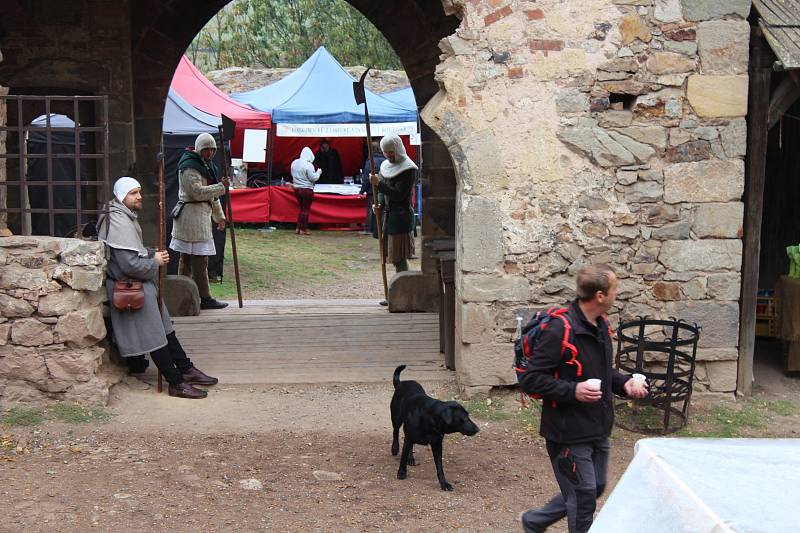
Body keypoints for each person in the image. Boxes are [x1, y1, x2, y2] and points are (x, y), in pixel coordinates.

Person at [519, 264, 648, 533]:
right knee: (583, 496)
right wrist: (573, 390)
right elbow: (531, 378)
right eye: (615, 288)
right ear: (600, 295)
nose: (618, 293)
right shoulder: (559, 330)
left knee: (595, 486)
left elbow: (602, 372)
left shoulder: (600, 325)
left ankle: (534, 521)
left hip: (597, 426)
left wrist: (626, 383)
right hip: (566, 432)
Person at [98, 176, 219, 399]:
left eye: (139, 192)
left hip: (141, 286)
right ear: (121, 195)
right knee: (155, 335)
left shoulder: (123, 216)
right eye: (134, 193)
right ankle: (176, 382)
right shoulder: (118, 222)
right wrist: (155, 262)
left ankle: (185, 368)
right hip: (130, 288)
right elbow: (128, 265)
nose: (139, 196)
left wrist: (150, 253)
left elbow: (132, 254)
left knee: (165, 328)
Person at [169, 133, 229, 310]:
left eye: (212, 149)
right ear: (199, 149)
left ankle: (190, 296)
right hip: (190, 219)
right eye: (206, 149)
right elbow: (197, 192)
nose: (210, 152)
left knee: (193, 260)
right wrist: (221, 187)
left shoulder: (206, 166)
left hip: (200, 218)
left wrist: (219, 217)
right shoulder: (189, 166)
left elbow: (212, 196)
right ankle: (200, 297)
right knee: (193, 260)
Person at [369, 135, 417, 274]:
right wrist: (377, 203)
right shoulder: (385, 166)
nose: (388, 155)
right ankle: (401, 287)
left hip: (401, 218)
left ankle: (403, 288)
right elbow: (382, 192)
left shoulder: (408, 169)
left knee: (399, 258)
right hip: (389, 218)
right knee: (394, 258)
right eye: (386, 152)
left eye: (391, 151)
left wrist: (379, 183)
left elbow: (398, 194)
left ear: (398, 149)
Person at [290, 146, 322, 235]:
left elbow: (292, 174)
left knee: (301, 209)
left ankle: (298, 227)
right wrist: (318, 172)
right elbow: (313, 178)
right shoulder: (308, 165)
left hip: (297, 189)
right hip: (307, 189)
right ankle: (303, 229)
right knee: (305, 209)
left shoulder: (294, 163)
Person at [359, 137, 386, 236]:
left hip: (372, 189)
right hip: (383, 188)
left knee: (371, 209)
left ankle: (369, 229)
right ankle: (380, 228)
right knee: (381, 209)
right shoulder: (385, 160)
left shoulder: (369, 161)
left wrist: (361, 191)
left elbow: (366, 178)